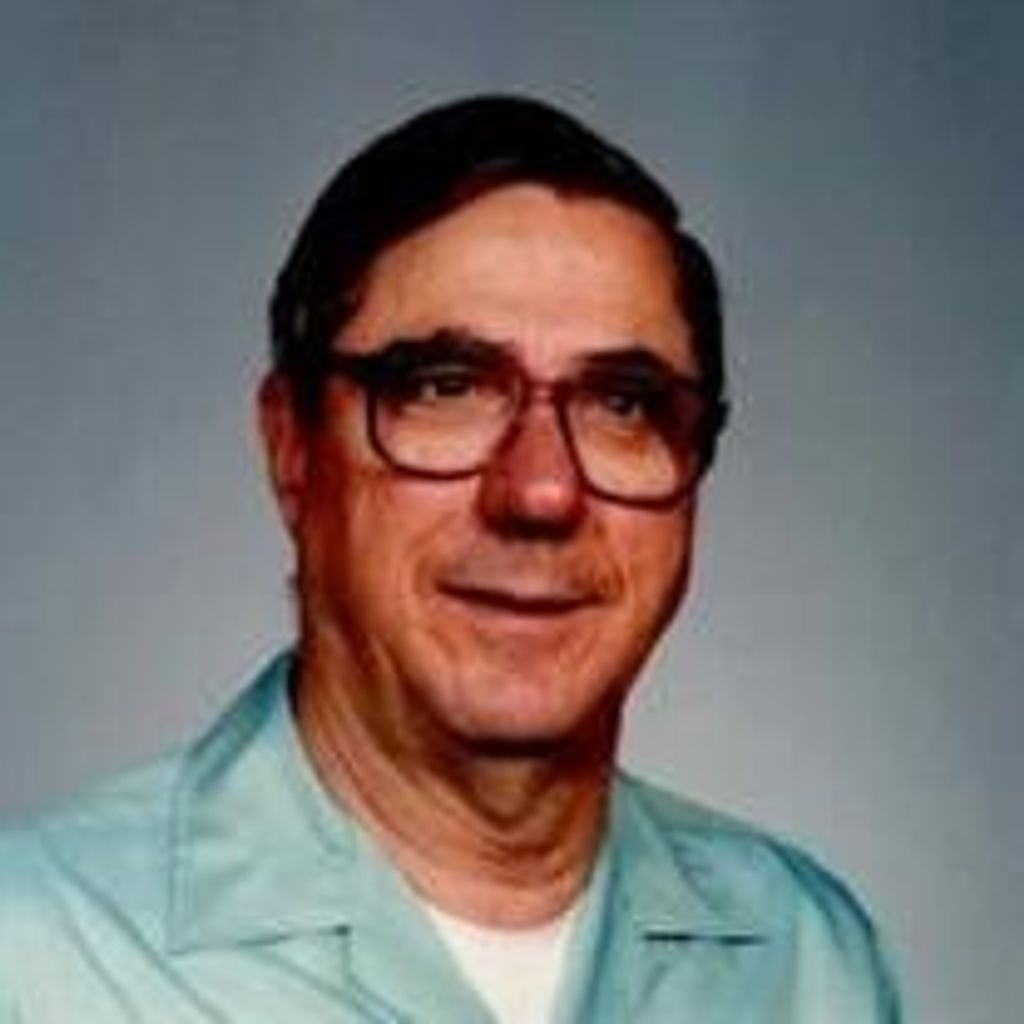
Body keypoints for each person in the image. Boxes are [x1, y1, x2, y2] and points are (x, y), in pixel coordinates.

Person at [0, 95, 901, 1022]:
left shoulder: (807, 962)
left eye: (623, 404)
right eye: (446, 388)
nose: (541, 491)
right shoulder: (32, 957)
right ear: (292, 447)